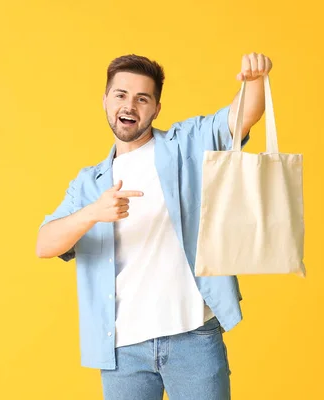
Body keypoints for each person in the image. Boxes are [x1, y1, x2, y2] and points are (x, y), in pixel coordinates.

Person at [37, 53, 272, 400]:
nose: (129, 105)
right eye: (120, 95)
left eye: (141, 98)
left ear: (156, 108)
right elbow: (45, 244)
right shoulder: (89, 184)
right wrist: (92, 213)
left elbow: (241, 118)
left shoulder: (186, 144)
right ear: (105, 100)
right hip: (122, 350)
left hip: (193, 337)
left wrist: (255, 79)